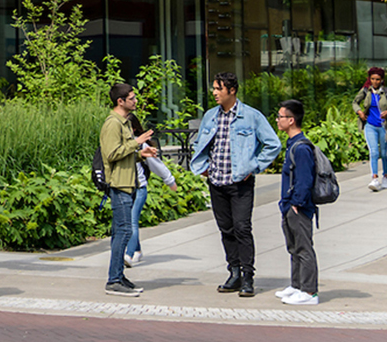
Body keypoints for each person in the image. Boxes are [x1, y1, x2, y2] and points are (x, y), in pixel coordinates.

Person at [189, 72, 282, 298]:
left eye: (218, 88)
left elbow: (273, 144)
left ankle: (248, 277)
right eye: (213, 88)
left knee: (242, 228)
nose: (214, 92)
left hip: (240, 183)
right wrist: (203, 167)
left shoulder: (251, 116)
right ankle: (234, 272)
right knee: (226, 229)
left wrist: (253, 166)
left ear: (231, 90)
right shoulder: (211, 116)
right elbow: (198, 144)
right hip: (216, 182)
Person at [101, 83, 157, 296]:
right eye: (132, 98)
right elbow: (111, 154)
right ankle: (114, 280)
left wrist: (141, 154)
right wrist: (137, 143)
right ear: (120, 101)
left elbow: (122, 154)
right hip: (119, 185)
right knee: (124, 231)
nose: (136, 101)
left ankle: (118, 276)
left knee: (121, 231)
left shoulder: (124, 123)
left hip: (129, 182)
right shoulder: (112, 124)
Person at [275, 99, 321, 305]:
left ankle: (310, 292)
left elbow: (305, 179)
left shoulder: (301, 148)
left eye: (281, 116)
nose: (277, 120)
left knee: (304, 248)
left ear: (291, 120)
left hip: (298, 207)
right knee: (293, 247)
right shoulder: (292, 144)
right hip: (289, 205)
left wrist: (297, 203)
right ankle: (296, 285)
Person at [122, 111, 178, 267]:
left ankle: (129, 254)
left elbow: (156, 165)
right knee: (128, 221)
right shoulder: (118, 144)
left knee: (132, 221)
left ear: (133, 129)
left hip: (139, 188)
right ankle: (137, 250)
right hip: (124, 188)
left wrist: (170, 180)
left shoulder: (140, 144)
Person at [355, 66, 387, 191]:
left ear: (382, 80)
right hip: (370, 125)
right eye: (372, 79)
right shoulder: (365, 91)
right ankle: (374, 178)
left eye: (378, 79)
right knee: (373, 152)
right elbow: (355, 102)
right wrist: (359, 112)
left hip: (384, 126)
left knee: (384, 153)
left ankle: (385, 176)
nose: (375, 82)